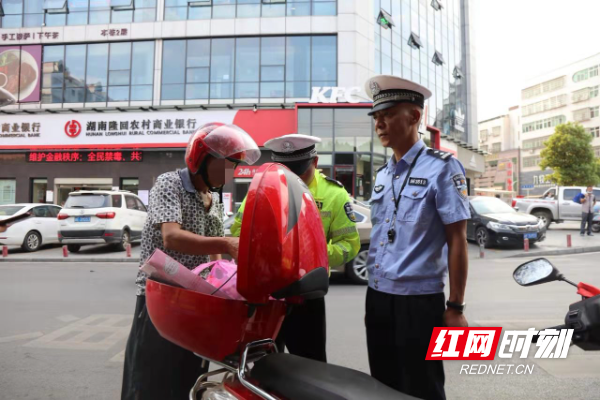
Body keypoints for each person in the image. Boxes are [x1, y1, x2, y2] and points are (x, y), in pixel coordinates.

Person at [121, 123, 260, 400]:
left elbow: (215, 257)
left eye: (233, 168)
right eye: (225, 165)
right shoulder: (169, 183)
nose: (228, 174)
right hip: (160, 296)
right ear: (201, 159)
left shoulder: (214, 197)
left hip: (195, 301)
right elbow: (171, 237)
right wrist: (225, 243)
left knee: (187, 373)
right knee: (150, 377)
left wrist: (223, 285)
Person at [364, 75, 470, 400]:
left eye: (388, 114)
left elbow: (457, 240)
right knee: (382, 384)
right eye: (376, 116)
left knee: (422, 387)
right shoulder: (383, 174)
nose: (379, 123)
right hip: (378, 297)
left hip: (418, 302)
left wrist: (455, 305)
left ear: (414, 116)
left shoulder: (443, 167)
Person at [230, 134, 360, 362]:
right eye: (287, 171)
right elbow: (237, 232)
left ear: (315, 163)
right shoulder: (262, 189)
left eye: (300, 171)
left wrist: (311, 256)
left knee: (311, 365)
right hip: (265, 294)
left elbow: (349, 245)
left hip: (306, 295)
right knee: (262, 363)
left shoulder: (334, 194)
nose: (293, 178)